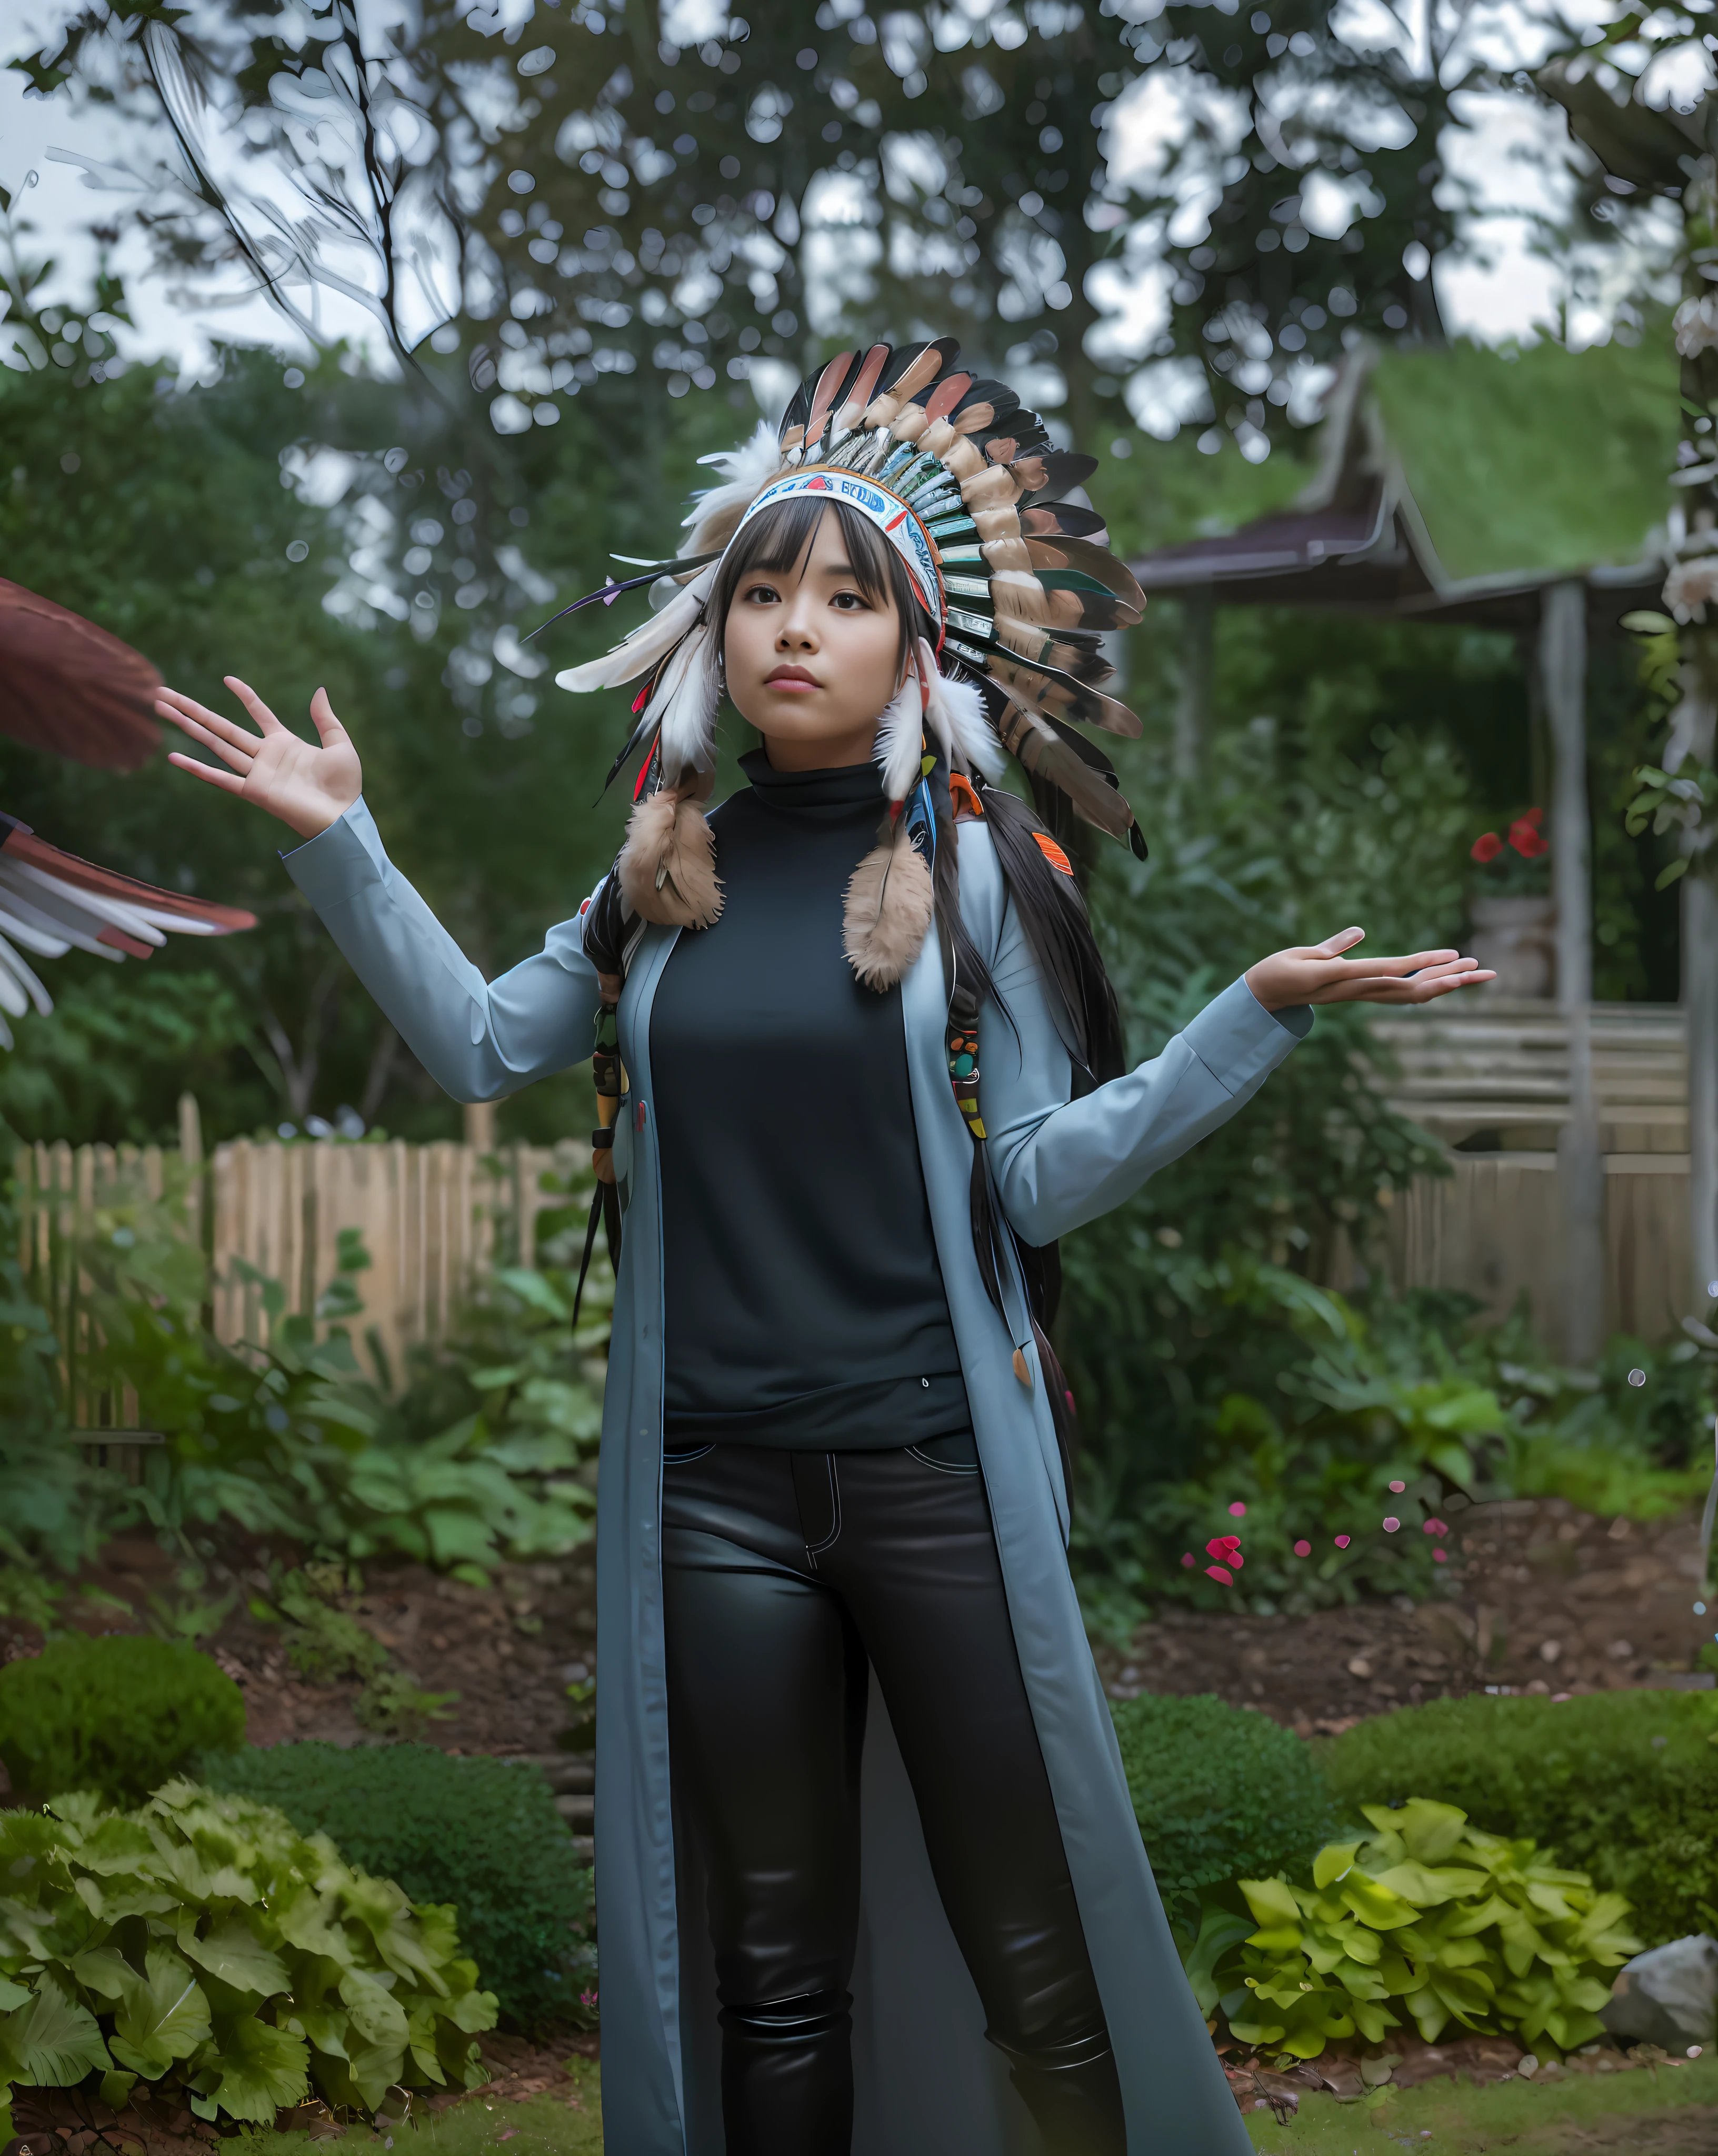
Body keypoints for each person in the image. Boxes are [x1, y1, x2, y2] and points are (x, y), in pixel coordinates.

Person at [157, 341, 1493, 2156]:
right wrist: (346, 844)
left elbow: (1033, 1178)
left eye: (845, 596)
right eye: (763, 590)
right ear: (715, 635)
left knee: (1037, 1952)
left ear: (912, 647)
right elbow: (477, 1046)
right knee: (770, 1971)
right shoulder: (654, 885)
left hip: (934, 1475)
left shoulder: (980, 879)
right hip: (715, 1492)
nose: (796, 624)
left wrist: (1246, 1017)